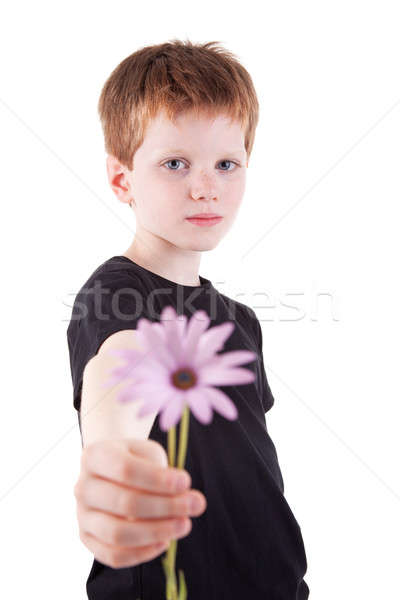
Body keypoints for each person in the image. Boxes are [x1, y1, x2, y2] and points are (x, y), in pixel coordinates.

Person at [67, 38, 310, 599]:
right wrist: (112, 468)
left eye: (227, 164)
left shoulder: (242, 322)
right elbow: (115, 371)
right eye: (175, 163)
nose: (207, 187)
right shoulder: (115, 293)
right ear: (122, 179)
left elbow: (249, 461)